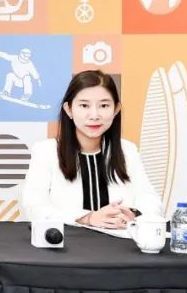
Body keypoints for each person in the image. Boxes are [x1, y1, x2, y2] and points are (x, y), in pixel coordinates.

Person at [20, 69, 160, 227]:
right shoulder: (46, 151)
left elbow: (149, 198)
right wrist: (87, 218)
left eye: (104, 105)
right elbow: (34, 207)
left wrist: (134, 214)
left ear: (116, 109)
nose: (94, 115)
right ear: (69, 109)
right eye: (84, 105)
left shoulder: (127, 150)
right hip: (69, 240)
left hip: (119, 239)